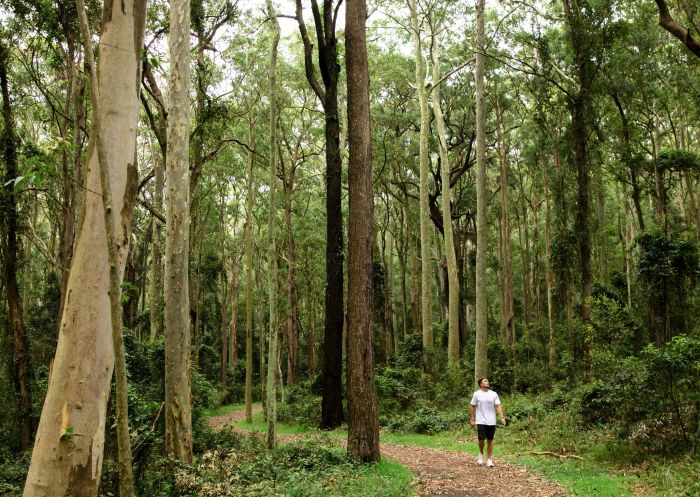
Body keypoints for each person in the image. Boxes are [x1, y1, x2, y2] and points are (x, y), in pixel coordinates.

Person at [469, 377, 506, 467]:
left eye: (488, 381)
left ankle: (489, 459)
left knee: (490, 440)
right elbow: (472, 406)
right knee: (481, 439)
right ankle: (481, 454)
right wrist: (472, 419)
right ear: (481, 384)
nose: (488, 382)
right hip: (481, 420)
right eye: (485, 381)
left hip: (491, 420)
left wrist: (502, 417)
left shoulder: (494, 394)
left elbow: (498, 406)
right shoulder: (476, 394)